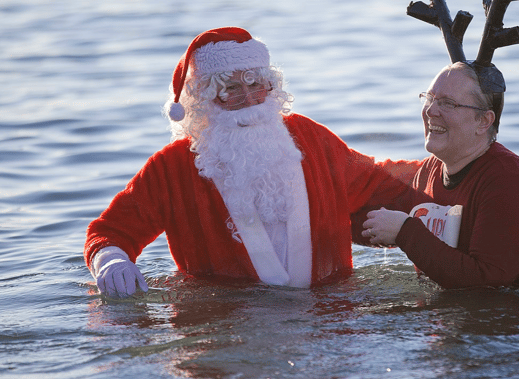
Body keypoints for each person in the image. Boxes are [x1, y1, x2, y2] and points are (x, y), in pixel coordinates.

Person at [84, 26, 419, 297]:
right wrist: (112, 260)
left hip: (329, 322)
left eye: (256, 85)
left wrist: (450, 174)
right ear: (203, 99)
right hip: (227, 327)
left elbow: (379, 182)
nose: (248, 100)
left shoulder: (310, 138)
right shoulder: (172, 167)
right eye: (230, 89)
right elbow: (111, 231)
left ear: (271, 86)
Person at [362, 61, 519, 289]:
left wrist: (405, 232)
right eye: (429, 98)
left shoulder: (508, 182)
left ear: (483, 121)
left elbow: (487, 282)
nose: (431, 110)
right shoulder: (428, 172)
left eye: (447, 103)